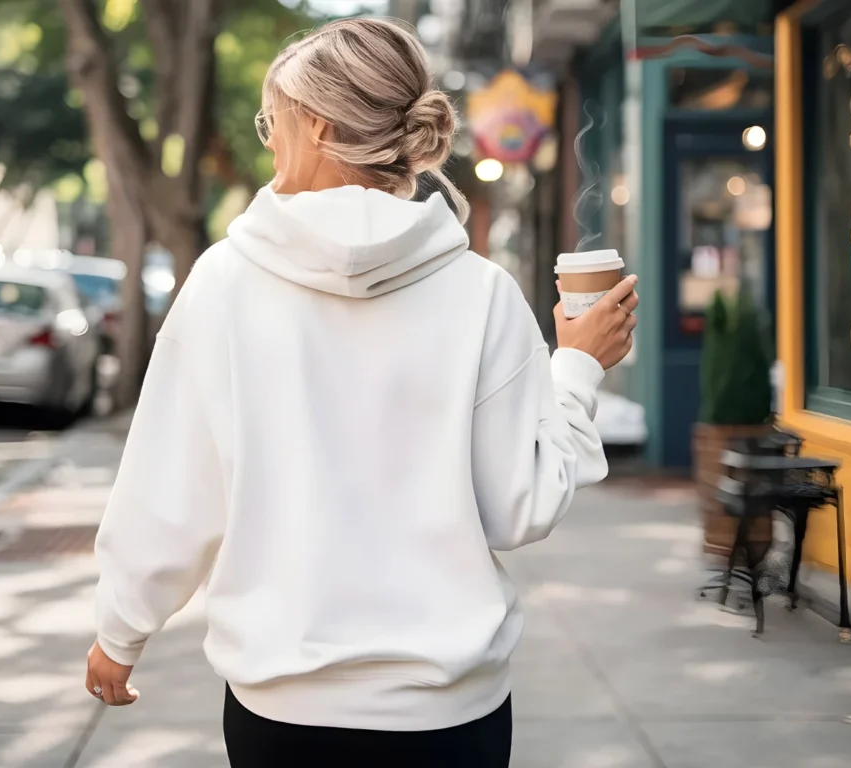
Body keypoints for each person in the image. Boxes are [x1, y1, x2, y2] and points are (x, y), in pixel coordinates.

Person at [84, 16, 638, 768]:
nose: (268, 140)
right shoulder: (482, 293)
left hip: (282, 713)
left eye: (271, 120)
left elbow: (171, 490)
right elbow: (522, 506)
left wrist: (121, 633)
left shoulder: (223, 284)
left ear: (314, 124)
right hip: (452, 719)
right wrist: (575, 368)